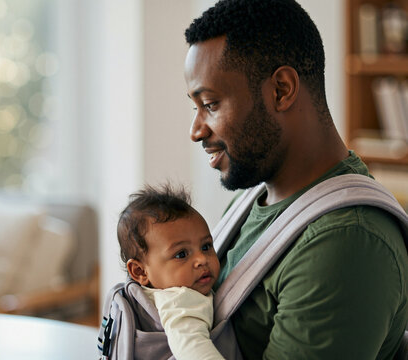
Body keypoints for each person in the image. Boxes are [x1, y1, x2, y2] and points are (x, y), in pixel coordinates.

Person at [184, 0, 408, 359]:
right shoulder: (252, 200)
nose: (196, 130)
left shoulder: (346, 240)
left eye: (210, 104)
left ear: (282, 90)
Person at [117, 184, 224, 360]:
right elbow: (194, 351)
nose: (202, 259)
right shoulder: (180, 301)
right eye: (181, 254)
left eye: (206, 246)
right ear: (139, 271)